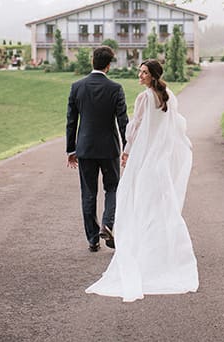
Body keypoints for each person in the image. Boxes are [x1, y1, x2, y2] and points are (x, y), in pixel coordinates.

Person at [86, 59, 198, 302]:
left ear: (152, 75)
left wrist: (126, 151)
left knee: (139, 203)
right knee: (161, 205)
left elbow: (134, 127)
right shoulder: (169, 96)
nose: (140, 75)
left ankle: (144, 249)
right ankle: (163, 249)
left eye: (144, 72)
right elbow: (178, 125)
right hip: (160, 161)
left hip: (145, 159)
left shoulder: (143, 98)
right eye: (140, 71)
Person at [66, 45, 129, 252]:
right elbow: (123, 122)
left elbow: (71, 121)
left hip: (84, 148)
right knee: (112, 188)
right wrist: (127, 148)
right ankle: (108, 224)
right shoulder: (115, 89)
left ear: (92, 61)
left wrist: (71, 149)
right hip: (109, 148)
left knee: (88, 193)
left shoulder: (77, 87)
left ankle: (93, 240)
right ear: (109, 66)